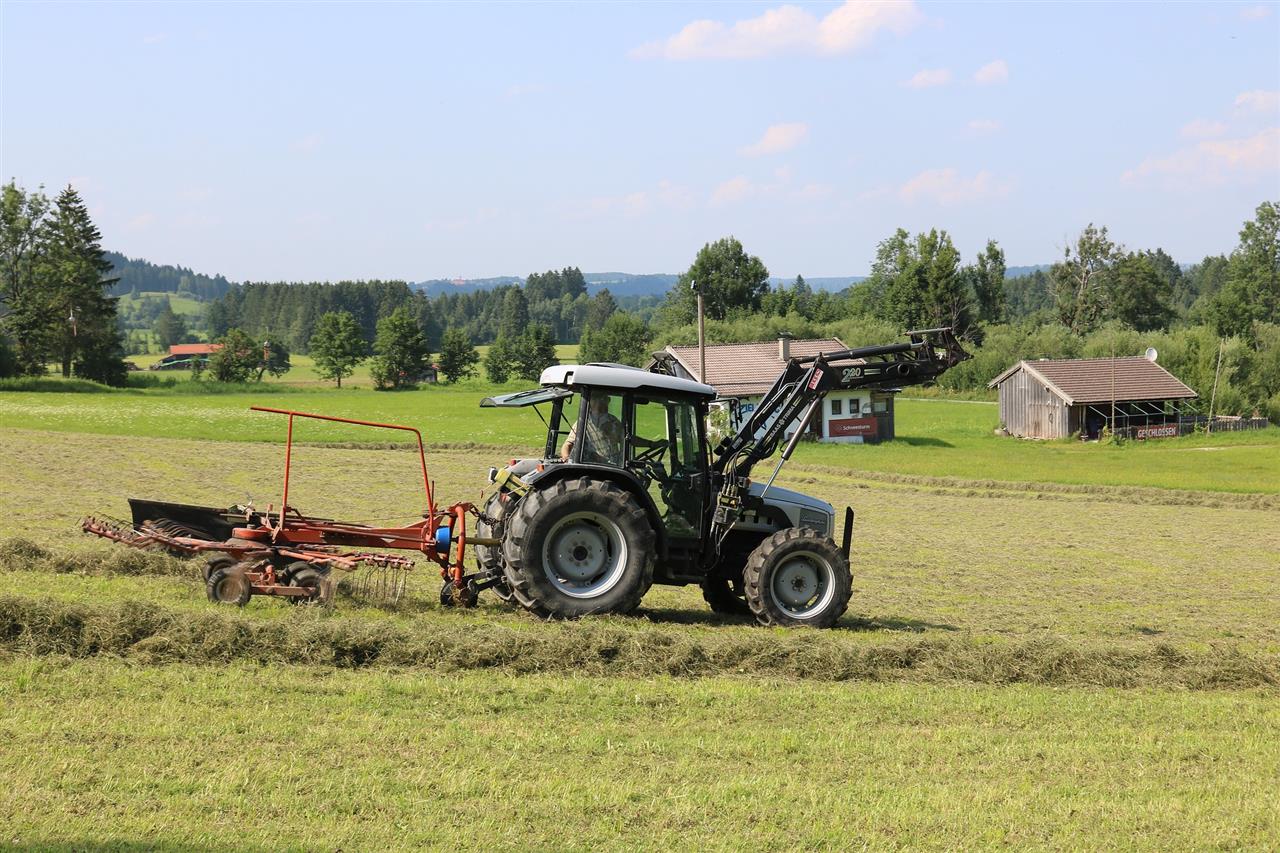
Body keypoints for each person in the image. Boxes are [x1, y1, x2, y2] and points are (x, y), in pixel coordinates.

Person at [560, 394, 623, 463]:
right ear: (590, 402)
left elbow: (624, 439)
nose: (599, 403)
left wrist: (614, 434)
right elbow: (567, 445)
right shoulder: (583, 422)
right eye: (596, 400)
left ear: (608, 401)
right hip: (593, 464)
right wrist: (566, 458)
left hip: (614, 465)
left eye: (603, 399)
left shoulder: (613, 420)